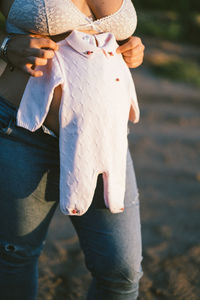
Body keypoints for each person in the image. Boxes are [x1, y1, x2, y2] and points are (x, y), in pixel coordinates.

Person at [0, 0, 145, 299]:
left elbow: (116, 37)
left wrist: (132, 46)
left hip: (104, 138)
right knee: (15, 257)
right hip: (23, 133)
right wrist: (4, 47)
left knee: (122, 271)